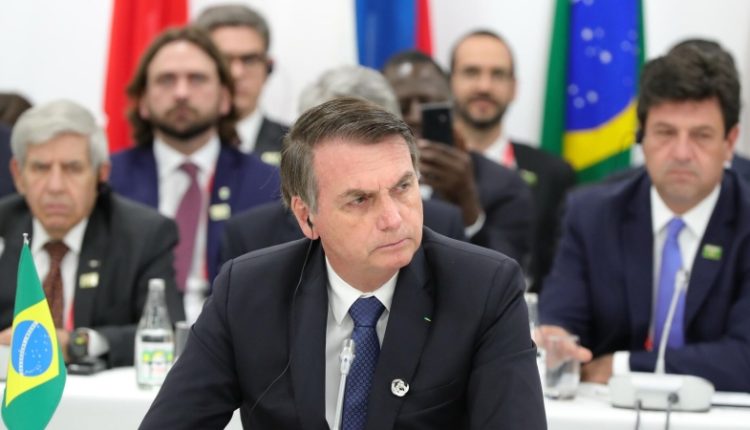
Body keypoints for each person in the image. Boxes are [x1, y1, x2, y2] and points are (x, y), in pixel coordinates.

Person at [141, 97, 545, 429]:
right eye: (360, 200)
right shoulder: (247, 291)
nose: (393, 218)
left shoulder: (485, 288)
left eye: (403, 187)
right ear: (306, 217)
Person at [538, 48, 750, 392]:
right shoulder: (592, 214)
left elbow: (744, 358)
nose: (681, 153)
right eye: (665, 132)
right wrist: (558, 342)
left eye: (701, 135)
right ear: (642, 135)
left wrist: (622, 366)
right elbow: (562, 321)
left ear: (730, 142)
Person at [108, 27, 280, 321]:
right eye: (166, 80)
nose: (181, 93)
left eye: (197, 79)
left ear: (225, 97)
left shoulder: (268, 184)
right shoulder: (109, 181)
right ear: (143, 101)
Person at [0, 99, 184, 367]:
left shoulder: (143, 234)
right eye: (40, 168)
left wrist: (78, 343)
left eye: (72, 169)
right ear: (18, 175)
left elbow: (168, 331)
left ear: (101, 174)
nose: (55, 186)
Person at [220, 65, 466, 263]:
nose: (391, 219)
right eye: (338, 140)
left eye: (372, 138)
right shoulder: (249, 236)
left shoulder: (442, 224)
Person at [450, 30, 576, 292]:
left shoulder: (554, 173)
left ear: (514, 88)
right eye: (471, 72)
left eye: (497, 74)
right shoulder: (422, 168)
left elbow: (560, 271)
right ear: (450, 82)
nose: (484, 86)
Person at [383, 50, 533, 265]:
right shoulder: (361, 181)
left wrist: (468, 208)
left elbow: (509, 273)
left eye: (428, 105)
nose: (415, 117)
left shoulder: (504, 185)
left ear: (451, 106)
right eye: (402, 107)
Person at [194, 4, 288, 165]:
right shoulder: (170, 145)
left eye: (249, 60)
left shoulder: (300, 146)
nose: (236, 73)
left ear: (268, 68)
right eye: (224, 60)